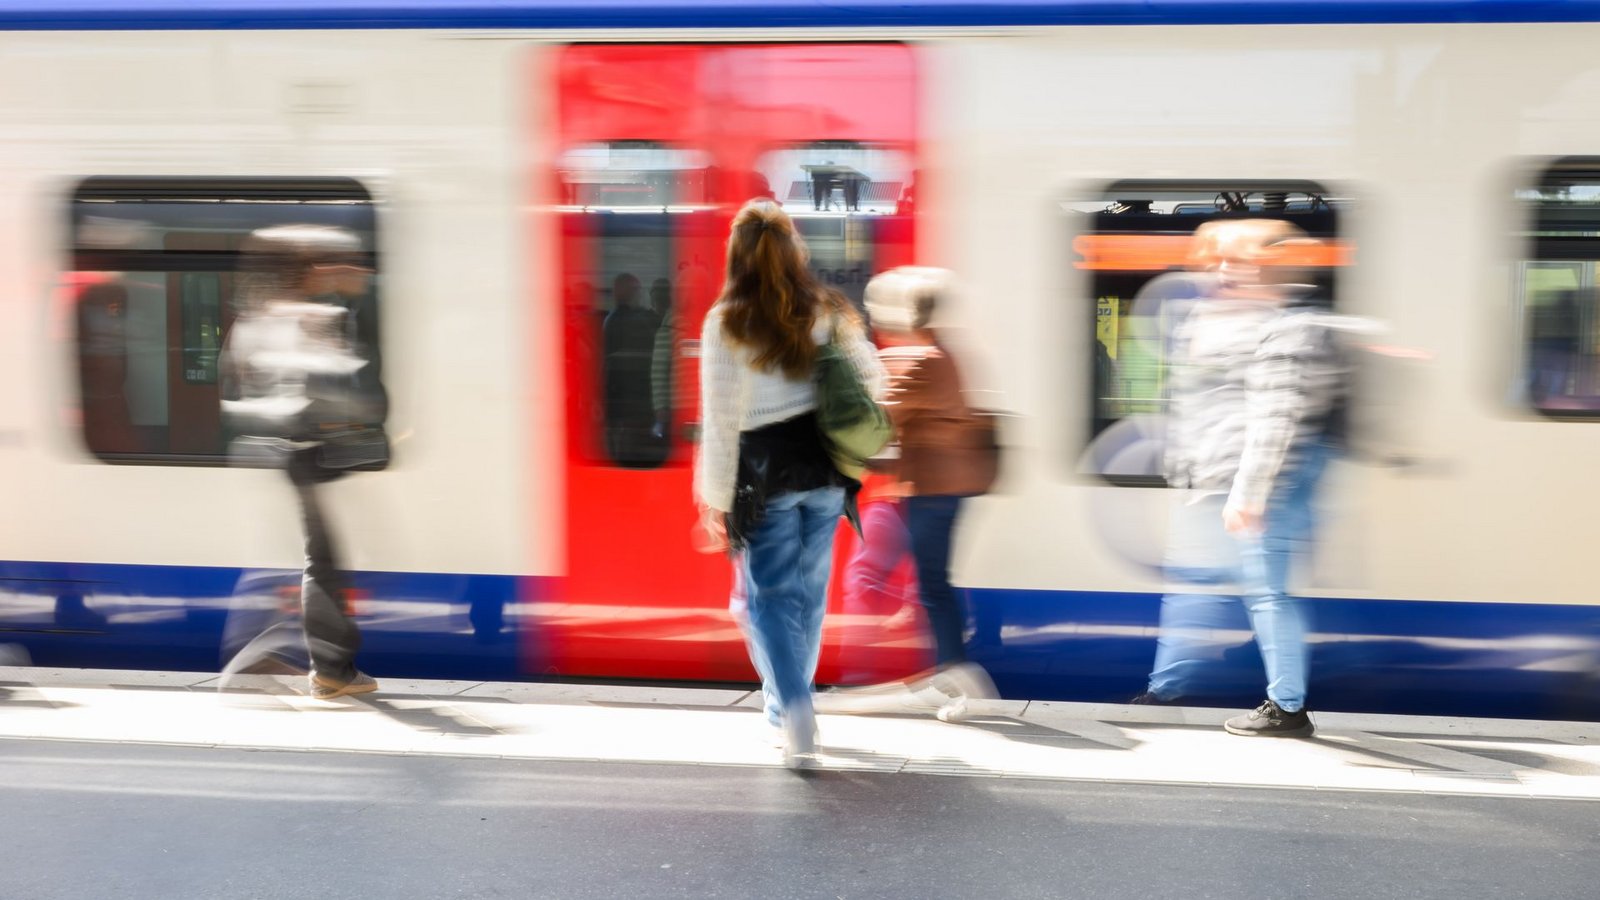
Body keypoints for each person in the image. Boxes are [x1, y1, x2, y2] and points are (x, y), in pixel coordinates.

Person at [693, 198, 886, 769]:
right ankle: (792, 707)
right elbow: (872, 378)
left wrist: (717, 498)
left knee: (771, 601)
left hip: (765, 475)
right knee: (807, 597)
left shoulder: (726, 320)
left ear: (738, 256)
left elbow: (722, 419)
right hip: (824, 472)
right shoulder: (825, 308)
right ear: (794, 250)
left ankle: (791, 715)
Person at [1137, 220, 1346, 738]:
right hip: (1223, 478)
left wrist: (1248, 495)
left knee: (1267, 593)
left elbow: (1276, 420)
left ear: (1270, 266)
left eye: (1238, 260)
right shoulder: (1243, 317)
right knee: (1203, 586)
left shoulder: (1290, 328)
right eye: (1222, 260)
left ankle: (1287, 707)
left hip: (1267, 483)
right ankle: (1166, 691)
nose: (1223, 269)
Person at [220, 224, 382, 701]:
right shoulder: (310, 316)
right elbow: (331, 387)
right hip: (304, 454)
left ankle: (265, 660)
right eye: (327, 262)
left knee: (295, 558)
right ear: (308, 270)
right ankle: (329, 668)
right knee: (321, 562)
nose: (339, 269)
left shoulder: (253, 316)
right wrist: (359, 422)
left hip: (269, 451)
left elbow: (241, 382)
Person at [863, 267, 997, 721]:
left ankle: (960, 678)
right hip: (943, 487)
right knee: (931, 583)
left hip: (934, 489)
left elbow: (882, 416)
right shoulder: (944, 355)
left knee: (932, 586)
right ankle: (950, 674)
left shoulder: (924, 362)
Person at [603, 272, 662, 464]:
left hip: (619, 397)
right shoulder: (637, 320)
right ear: (627, 291)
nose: (639, 294)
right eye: (636, 290)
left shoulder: (610, 320)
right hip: (637, 397)